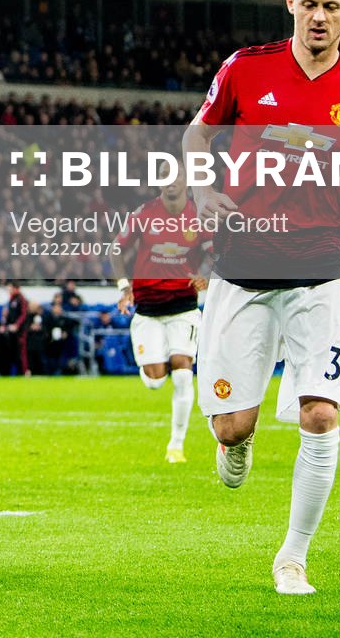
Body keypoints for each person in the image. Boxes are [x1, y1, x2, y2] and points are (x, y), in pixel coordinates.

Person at [183, 0, 340, 596]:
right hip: (240, 269)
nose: (318, 16)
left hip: (321, 273)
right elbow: (197, 140)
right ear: (290, 4)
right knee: (233, 426)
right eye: (308, 4)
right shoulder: (245, 69)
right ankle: (236, 441)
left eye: (330, 6)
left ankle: (293, 557)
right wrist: (202, 193)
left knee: (319, 415)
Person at [114, 173, 208, 463]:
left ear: (187, 182)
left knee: (182, 374)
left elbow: (214, 251)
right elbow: (116, 249)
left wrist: (207, 272)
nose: (172, 182)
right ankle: (155, 362)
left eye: (177, 177)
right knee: (156, 381)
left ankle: (175, 446)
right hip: (148, 310)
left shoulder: (199, 215)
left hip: (184, 307)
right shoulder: (144, 214)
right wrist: (124, 286)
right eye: (165, 177)